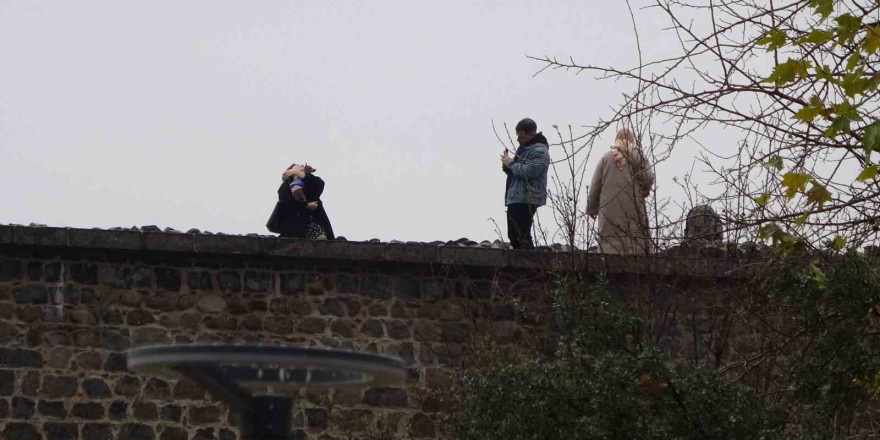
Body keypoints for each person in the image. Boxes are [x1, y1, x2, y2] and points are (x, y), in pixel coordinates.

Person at [587, 128, 655, 254]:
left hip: (609, 207)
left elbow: (595, 186)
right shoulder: (638, 155)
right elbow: (649, 177)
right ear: (632, 140)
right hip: (633, 205)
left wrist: (592, 208)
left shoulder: (606, 158)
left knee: (610, 239)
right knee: (636, 238)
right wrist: (644, 190)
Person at [501, 118, 550, 250]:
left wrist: (510, 163)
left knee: (520, 234)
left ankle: (529, 263)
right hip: (518, 197)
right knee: (514, 234)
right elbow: (516, 173)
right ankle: (526, 261)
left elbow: (528, 172)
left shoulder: (540, 151)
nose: (518, 140)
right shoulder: (524, 149)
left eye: (521, 137)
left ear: (532, 134)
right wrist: (507, 165)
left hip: (527, 197)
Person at [266, 163, 335, 240]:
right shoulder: (286, 186)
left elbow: (319, 184)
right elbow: (285, 201)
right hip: (294, 226)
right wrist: (305, 205)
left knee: (321, 239)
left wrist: (298, 173)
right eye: (297, 165)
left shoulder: (310, 182)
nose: (301, 165)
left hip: (312, 222)